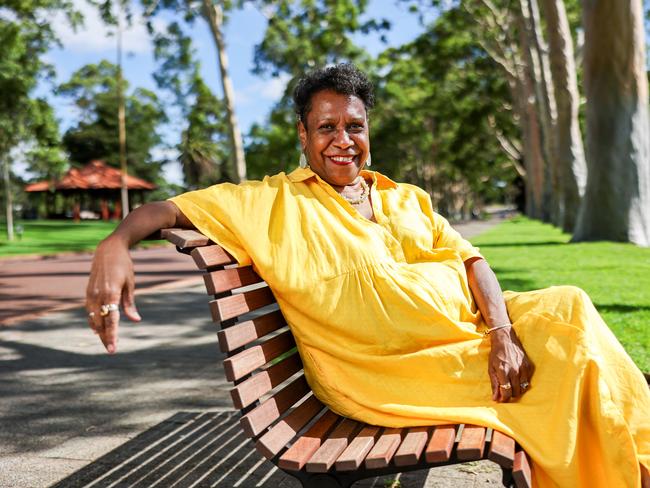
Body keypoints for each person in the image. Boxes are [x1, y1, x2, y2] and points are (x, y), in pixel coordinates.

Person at [86, 64, 649, 487]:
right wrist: (115, 243)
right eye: (325, 127)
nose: (342, 139)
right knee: (573, 367)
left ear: (368, 129)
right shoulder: (268, 203)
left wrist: (502, 333)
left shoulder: (406, 198)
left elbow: (473, 261)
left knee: (569, 307)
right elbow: (163, 211)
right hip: (390, 373)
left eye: (353, 125)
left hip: (471, 336)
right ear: (303, 137)